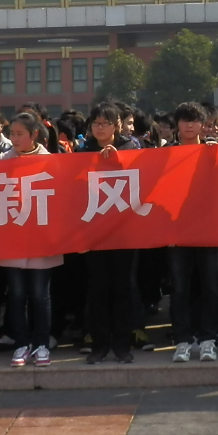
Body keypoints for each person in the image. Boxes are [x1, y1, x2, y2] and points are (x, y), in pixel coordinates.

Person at [0, 112, 62, 367]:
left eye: (20, 133)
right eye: (12, 133)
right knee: (17, 294)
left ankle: (41, 344)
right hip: (13, 238)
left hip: (42, 238)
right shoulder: (3, 160)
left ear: (34, 135)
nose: (14, 138)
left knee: (40, 294)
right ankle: (21, 344)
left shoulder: (50, 161)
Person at [80, 104, 139, 363]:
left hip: (123, 230)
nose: (100, 128)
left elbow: (143, 176)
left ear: (116, 126)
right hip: (93, 230)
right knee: (98, 289)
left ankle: (122, 345)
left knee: (122, 288)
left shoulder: (131, 148)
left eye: (105, 123)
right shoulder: (83, 151)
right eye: (96, 123)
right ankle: (99, 345)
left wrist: (119, 160)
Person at [166, 102, 218, 362]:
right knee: (180, 288)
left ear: (203, 125)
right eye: (185, 120)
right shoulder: (166, 154)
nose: (189, 125)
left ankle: (209, 339)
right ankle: (183, 340)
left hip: (209, 230)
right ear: (177, 124)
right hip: (177, 232)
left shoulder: (213, 152)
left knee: (210, 286)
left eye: (195, 121)